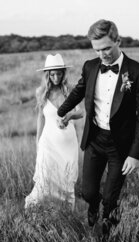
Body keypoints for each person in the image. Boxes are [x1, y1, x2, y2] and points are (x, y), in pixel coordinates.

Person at [57, 19, 139, 237]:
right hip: (95, 139)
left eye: (107, 48)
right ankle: (94, 206)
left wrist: (136, 154)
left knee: (111, 198)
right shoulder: (90, 67)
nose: (103, 54)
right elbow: (79, 91)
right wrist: (61, 111)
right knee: (88, 192)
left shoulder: (138, 72)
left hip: (121, 146)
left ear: (118, 40)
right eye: (98, 50)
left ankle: (107, 237)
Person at [25, 54, 84, 209]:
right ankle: (36, 211)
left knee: (66, 180)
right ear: (47, 75)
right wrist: (38, 142)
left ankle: (67, 217)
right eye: (52, 74)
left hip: (68, 143)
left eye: (59, 73)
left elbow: (81, 113)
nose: (56, 77)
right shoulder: (41, 92)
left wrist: (70, 115)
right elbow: (40, 117)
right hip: (48, 143)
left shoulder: (70, 90)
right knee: (45, 179)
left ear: (63, 73)